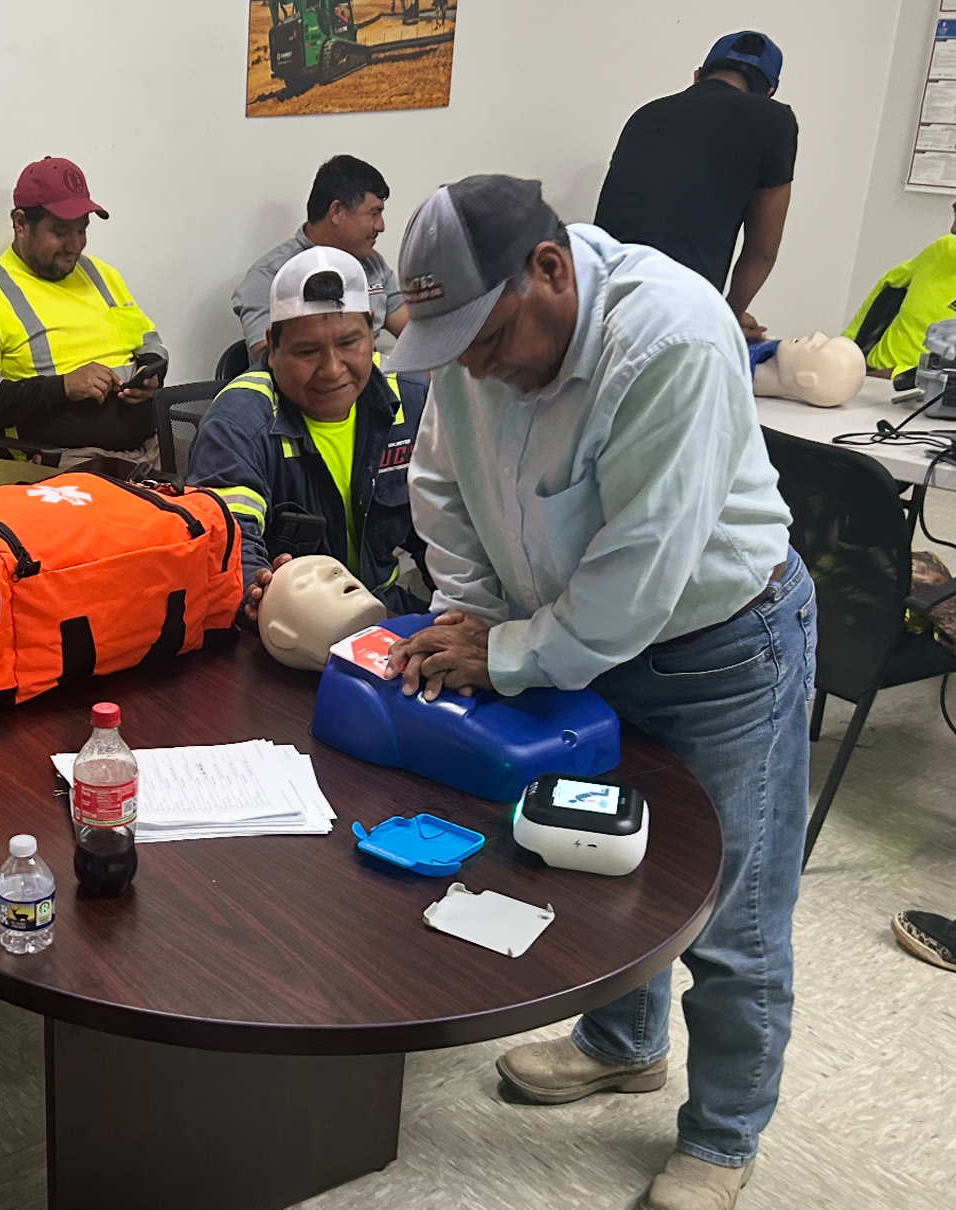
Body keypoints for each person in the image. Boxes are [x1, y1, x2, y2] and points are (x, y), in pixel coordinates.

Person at [383, 175, 815, 1210]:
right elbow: (440, 488)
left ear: (547, 268)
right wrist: (476, 616)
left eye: (486, 343)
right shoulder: (475, 337)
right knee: (598, 856)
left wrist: (510, 653)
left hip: (719, 647)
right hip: (566, 634)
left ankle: (720, 1136)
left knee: (728, 909)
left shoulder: (671, 339)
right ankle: (622, 1042)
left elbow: (640, 574)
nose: (474, 368)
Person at [191, 245, 430, 621]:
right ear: (272, 347)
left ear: (372, 333)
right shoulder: (237, 424)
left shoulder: (411, 398)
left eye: (349, 343)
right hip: (294, 627)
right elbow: (232, 550)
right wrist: (264, 595)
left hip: (389, 611)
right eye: (306, 351)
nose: (333, 369)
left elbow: (447, 536)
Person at [0, 157, 167, 470]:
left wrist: (152, 371)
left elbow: (148, 339)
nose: (75, 245)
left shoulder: (102, 275)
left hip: (150, 446)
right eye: (60, 232)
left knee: (219, 487)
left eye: (82, 230)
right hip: (64, 461)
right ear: (20, 223)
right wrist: (62, 387)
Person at [594, 31, 797, 342]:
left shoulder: (646, 115)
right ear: (768, 91)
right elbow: (763, 250)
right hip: (677, 318)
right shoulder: (775, 121)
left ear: (698, 76)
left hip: (599, 304)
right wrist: (728, 318)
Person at [232, 155, 408, 362]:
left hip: (370, 387)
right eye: (373, 214)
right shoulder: (269, 275)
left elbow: (413, 334)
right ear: (336, 212)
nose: (381, 226)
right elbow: (269, 358)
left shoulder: (373, 265)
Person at [843, 201, 956, 381]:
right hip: (868, 377)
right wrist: (843, 350)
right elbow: (888, 287)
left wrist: (898, 376)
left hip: (923, 393)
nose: (953, 229)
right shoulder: (944, 249)